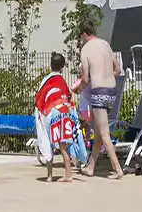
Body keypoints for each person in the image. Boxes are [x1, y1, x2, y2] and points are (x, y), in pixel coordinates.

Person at [71, 23, 125, 179]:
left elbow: (85, 78)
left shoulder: (86, 49)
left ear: (84, 34)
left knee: (104, 133)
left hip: (98, 92)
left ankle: (117, 169)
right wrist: (106, 76)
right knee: (100, 132)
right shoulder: (106, 45)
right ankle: (91, 167)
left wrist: (77, 90)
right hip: (111, 91)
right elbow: (118, 70)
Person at [34, 54, 85, 183]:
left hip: (48, 113)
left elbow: (40, 97)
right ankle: (68, 173)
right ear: (62, 67)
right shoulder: (61, 81)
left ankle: (50, 175)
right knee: (63, 146)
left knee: (47, 141)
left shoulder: (45, 80)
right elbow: (68, 98)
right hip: (62, 113)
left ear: (51, 64)